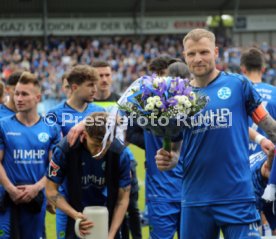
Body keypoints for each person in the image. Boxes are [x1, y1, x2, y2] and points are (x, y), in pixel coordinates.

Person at [155, 28, 276, 239]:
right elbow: (174, 153)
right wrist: (168, 159)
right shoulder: (177, 98)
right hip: (195, 200)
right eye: (191, 54)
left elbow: (270, 127)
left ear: (216, 52)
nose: (198, 59)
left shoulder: (239, 85)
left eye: (204, 52)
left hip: (237, 198)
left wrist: (265, 137)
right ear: (184, 56)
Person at [46, 112, 131, 239]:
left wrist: (111, 235)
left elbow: (122, 199)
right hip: (72, 209)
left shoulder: (120, 154)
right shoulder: (65, 150)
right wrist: (75, 215)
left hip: (107, 211)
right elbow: (51, 190)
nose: (99, 151)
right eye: (96, 145)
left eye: (104, 146)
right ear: (84, 136)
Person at [47, 64, 105, 238]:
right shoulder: (54, 114)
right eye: (90, 85)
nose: (95, 89)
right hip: (66, 191)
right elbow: (52, 152)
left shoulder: (99, 112)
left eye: (95, 85)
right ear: (74, 87)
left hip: (95, 188)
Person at [0, 72, 61, 239]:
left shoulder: (51, 128)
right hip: (7, 199)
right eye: (17, 93)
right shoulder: (3, 125)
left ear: (37, 98)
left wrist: (37, 188)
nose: (18, 98)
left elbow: (55, 166)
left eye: (24, 94)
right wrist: (11, 189)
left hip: (36, 199)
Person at [92, 60, 142, 239]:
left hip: (124, 161)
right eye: (100, 76)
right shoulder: (88, 105)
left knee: (132, 208)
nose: (104, 79)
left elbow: (132, 133)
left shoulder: (123, 102)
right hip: (97, 165)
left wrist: (119, 147)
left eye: (107, 75)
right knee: (106, 205)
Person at [240, 47, 276, 155]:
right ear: (263, 69)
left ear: (243, 69)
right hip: (268, 159)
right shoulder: (274, 92)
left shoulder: (236, 93)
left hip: (241, 160)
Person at [250, 148, 276, 236]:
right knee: (254, 231)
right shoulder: (252, 187)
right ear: (265, 167)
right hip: (241, 194)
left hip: (262, 184)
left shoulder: (271, 157)